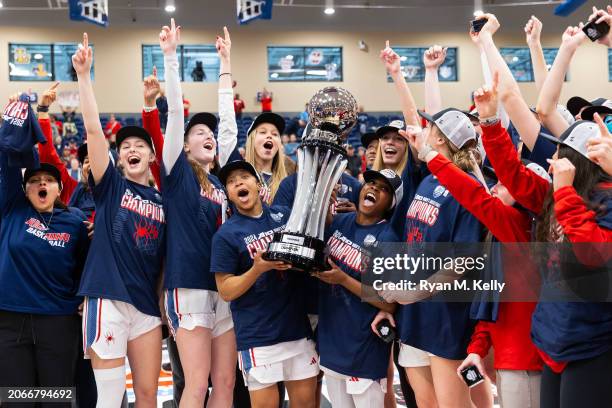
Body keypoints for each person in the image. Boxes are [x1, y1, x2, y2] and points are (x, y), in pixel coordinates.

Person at [72, 32, 166, 408]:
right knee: (110, 398)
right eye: (125, 145)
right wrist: (84, 76)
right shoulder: (110, 186)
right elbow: (94, 130)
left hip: (146, 306)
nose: (131, 148)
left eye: (139, 145)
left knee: (147, 397)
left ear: (151, 157)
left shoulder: (164, 200)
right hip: (108, 299)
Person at [380, 108, 485, 408]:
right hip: (413, 315)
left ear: (439, 139)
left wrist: (416, 291)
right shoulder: (428, 178)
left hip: (445, 316)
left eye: (430, 127)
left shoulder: (468, 187)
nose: (422, 130)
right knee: (425, 404)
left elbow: (466, 260)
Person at [160, 20, 236, 408]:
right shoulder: (176, 175)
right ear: (184, 147)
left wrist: (225, 65)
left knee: (224, 384)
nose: (208, 135)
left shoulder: (221, 184)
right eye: (199, 133)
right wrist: (171, 57)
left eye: (211, 132)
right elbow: (175, 112)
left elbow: (229, 136)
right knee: (196, 385)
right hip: (187, 286)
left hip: (222, 287)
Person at [211, 160, 319, 408]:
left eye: (244, 177)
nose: (238, 182)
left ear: (258, 185)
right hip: (259, 337)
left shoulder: (284, 215)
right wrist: (258, 268)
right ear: (228, 193)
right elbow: (226, 290)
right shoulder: (226, 235)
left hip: (297, 330)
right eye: (230, 181)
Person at [0, 154, 90, 403]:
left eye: (49, 180)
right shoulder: (12, 210)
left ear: (59, 189)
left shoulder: (76, 223)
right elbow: (8, 163)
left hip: (58, 321)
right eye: (35, 181)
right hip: (10, 318)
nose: (42, 184)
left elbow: (85, 267)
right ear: (24, 190)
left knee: (55, 398)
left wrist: (85, 298)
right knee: (17, 399)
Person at [244, 112, 288, 204]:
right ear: (252, 140)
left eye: (275, 134)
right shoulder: (239, 177)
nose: (269, 136)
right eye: (263, 132)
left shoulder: (288, 184)